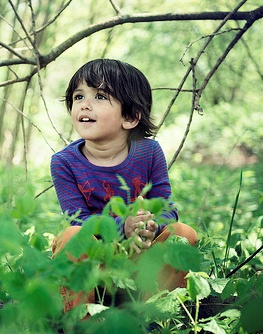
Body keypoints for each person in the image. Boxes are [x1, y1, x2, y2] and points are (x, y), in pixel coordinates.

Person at [50, 58, 198, 314]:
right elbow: (77, 221)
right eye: (78, 96)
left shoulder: (149, 152)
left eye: (99, 96)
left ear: (129, 117)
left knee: (183, 234)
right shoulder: (64, 162)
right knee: (70, 237)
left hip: (143, 261)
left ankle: (157, 316)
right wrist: (122, 227)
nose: (84, 104)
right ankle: (82, 322)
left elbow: (167, 208)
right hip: (95, 265)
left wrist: (150, 226)